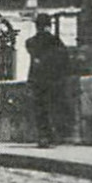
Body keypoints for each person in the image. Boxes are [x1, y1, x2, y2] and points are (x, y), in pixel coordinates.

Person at [24, 15, 68, 147]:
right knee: (54, 109)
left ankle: (43, 137)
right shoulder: (55, 41)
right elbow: (65, 58)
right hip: (54, 80)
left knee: (40, 110)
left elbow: (30, 48)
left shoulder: (31, 42)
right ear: (49, 25)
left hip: (37, 80)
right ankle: (54, 136)